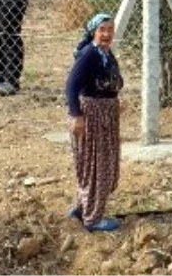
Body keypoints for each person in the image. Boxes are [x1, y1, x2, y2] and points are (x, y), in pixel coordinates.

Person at [66, 12, 123, 233]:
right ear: (93, 32)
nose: (107, 34)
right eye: (102, 30)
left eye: (110, 29)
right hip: (92, 116)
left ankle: (82, 208)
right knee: (96, 165)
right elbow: (71, 86)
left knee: (95, 164)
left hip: (105, 115)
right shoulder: (89, 54)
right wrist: (76, 116)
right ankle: (93, 218)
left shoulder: (105, 54)